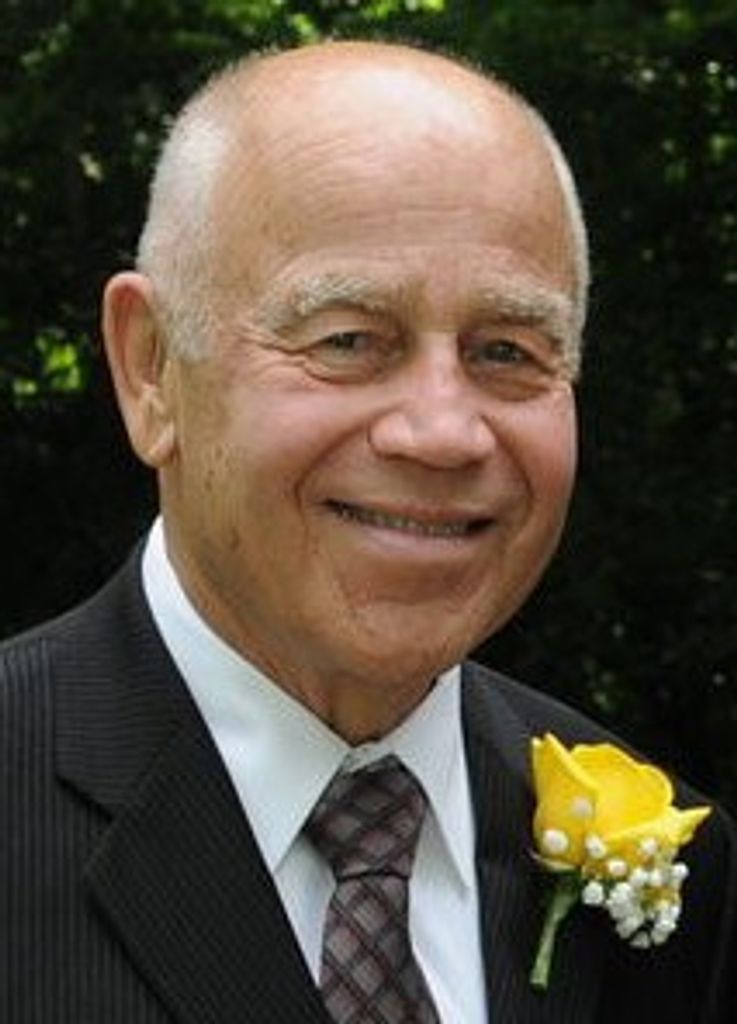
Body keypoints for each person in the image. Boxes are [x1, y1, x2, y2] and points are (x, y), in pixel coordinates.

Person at [1, 39, 734, 1024]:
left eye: (507, 351)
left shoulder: (681, 869)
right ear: (150, 369)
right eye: (347, 340)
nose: (442, 431)